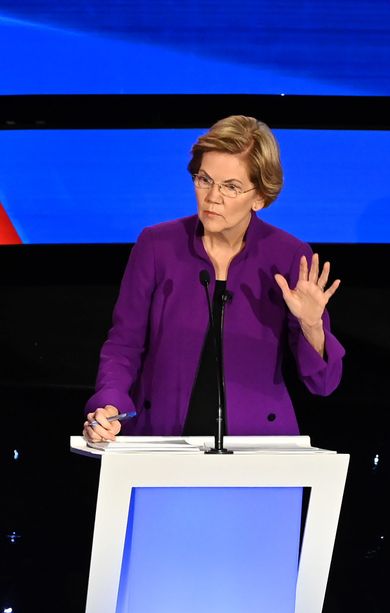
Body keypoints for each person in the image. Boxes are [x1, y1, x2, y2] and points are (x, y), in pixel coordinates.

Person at [82, 115, 343, 441]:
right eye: (204, 180)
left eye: (231, 187)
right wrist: (109, 405)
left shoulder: (289, 256)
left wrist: (312, 326)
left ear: (260, 197)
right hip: (161, 442)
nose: (212, 197)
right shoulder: (156, 245)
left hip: (258, 448)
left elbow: (323, 384)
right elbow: (124, 344)